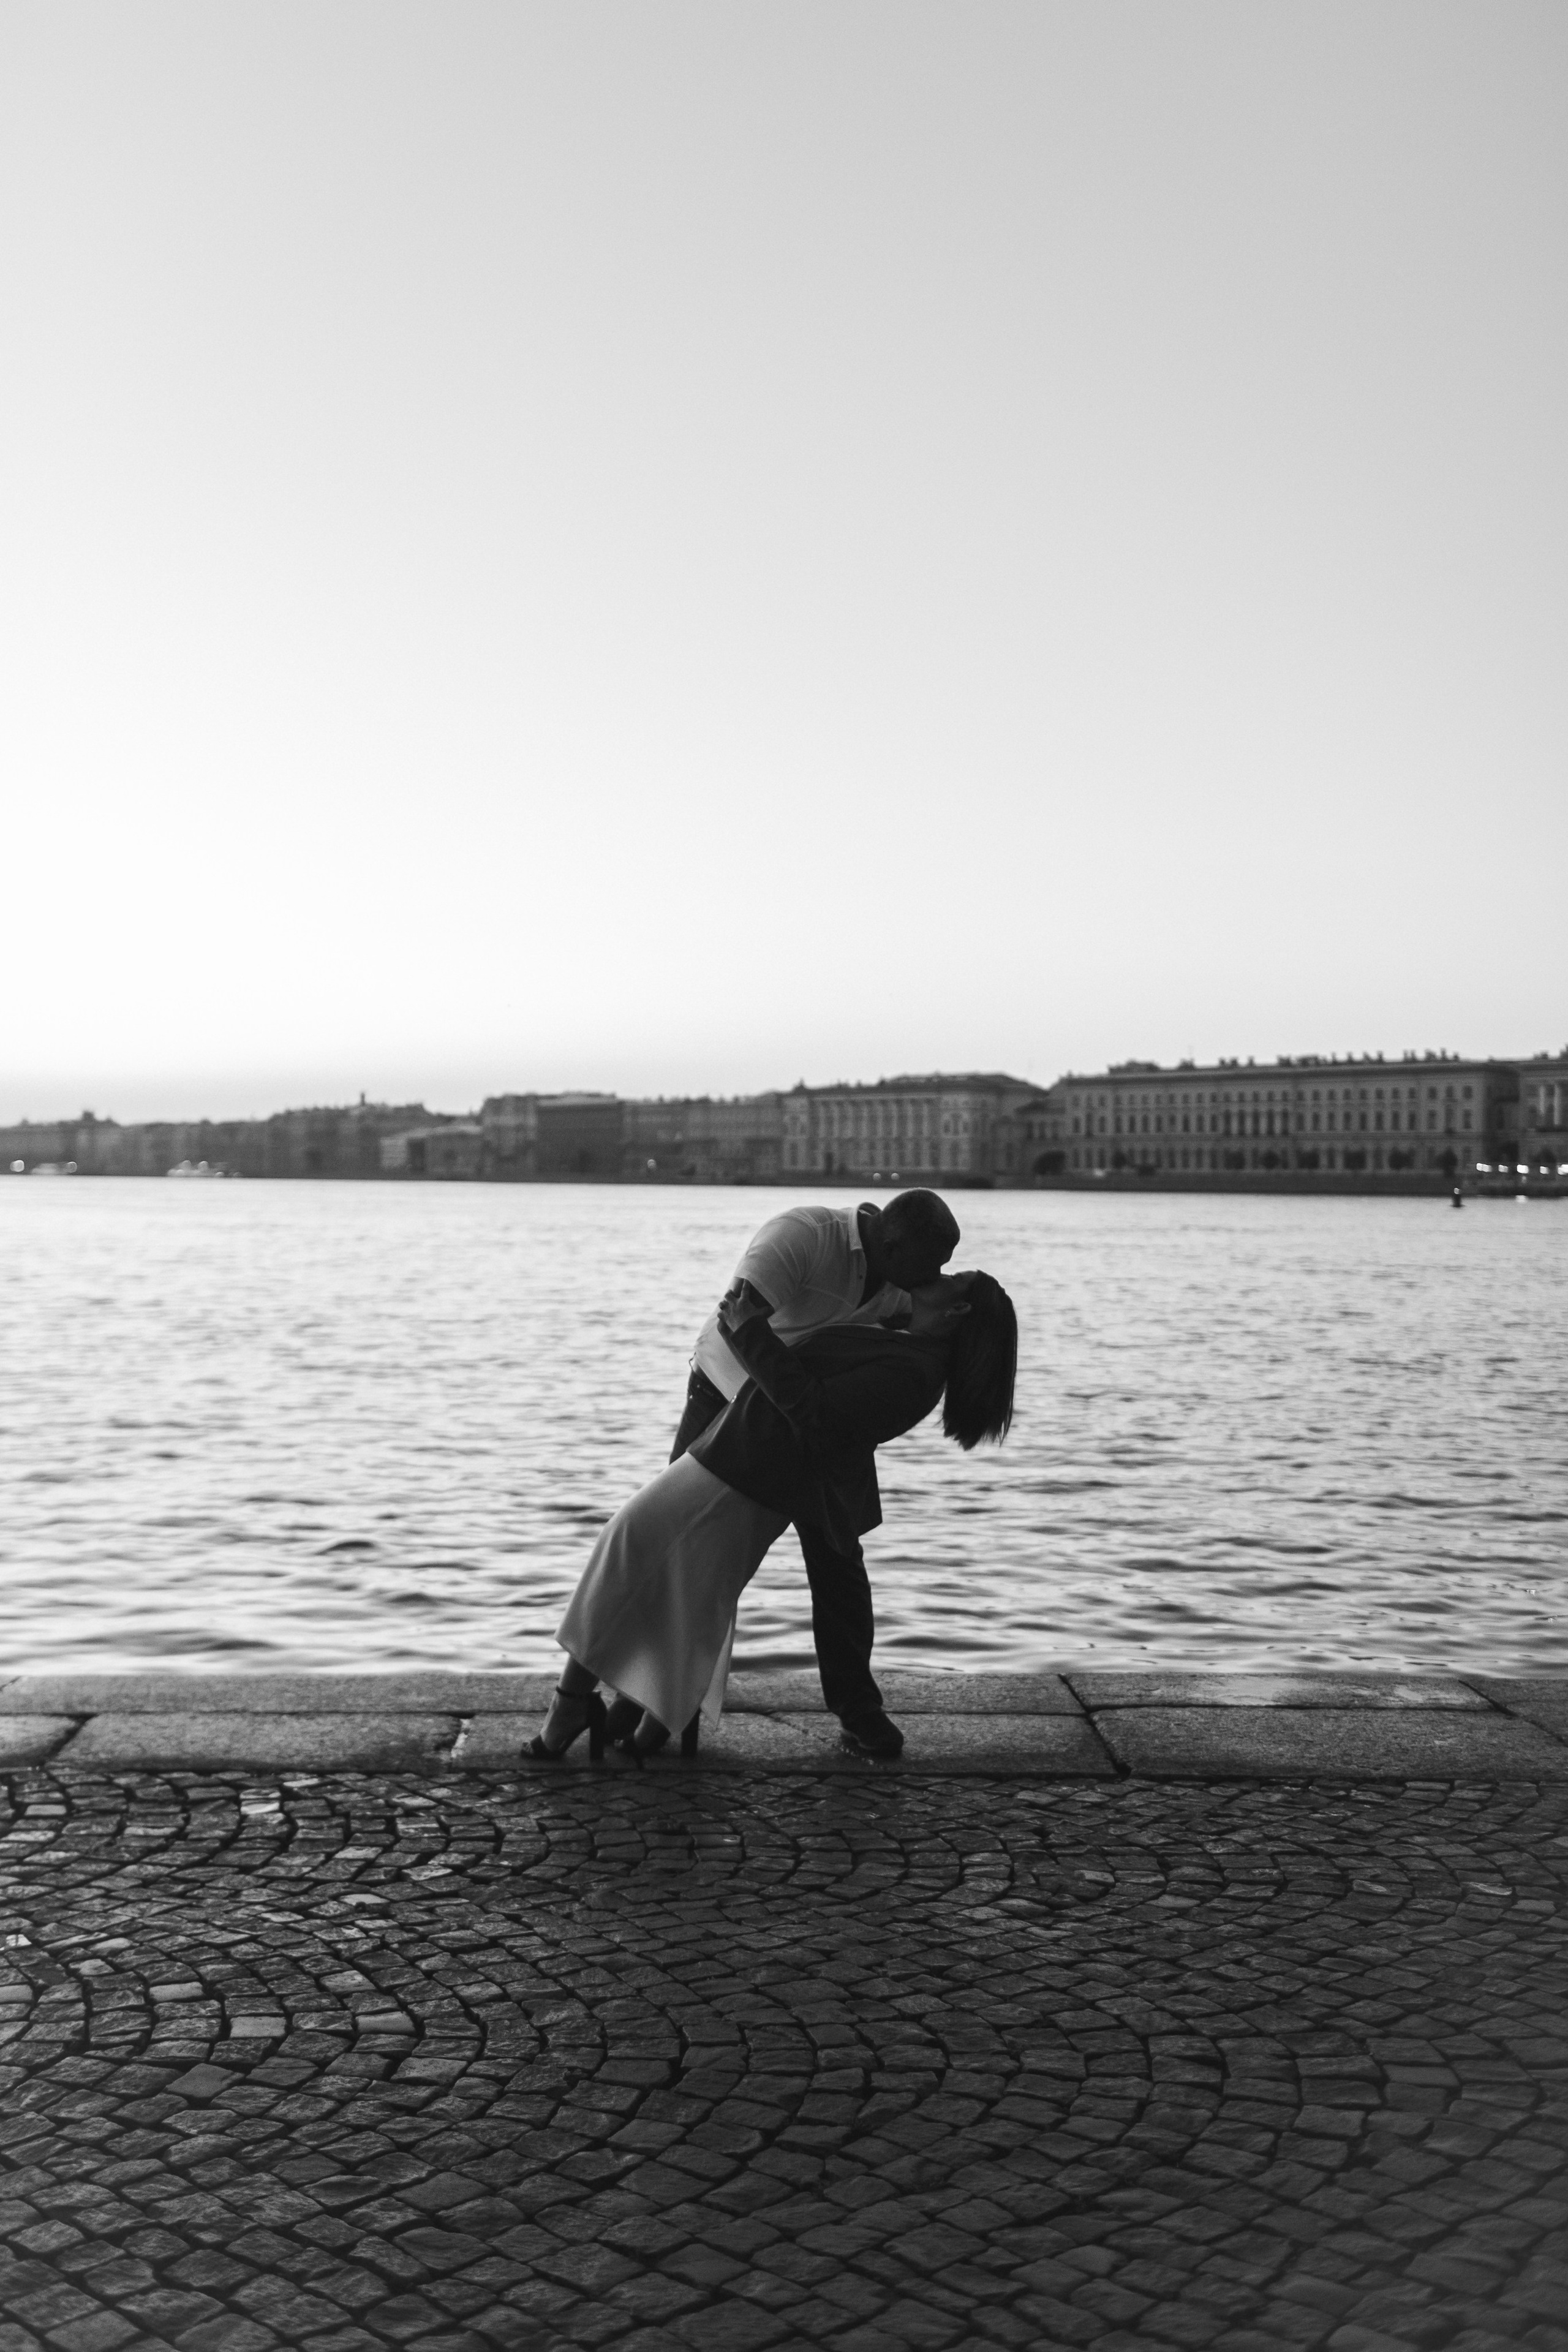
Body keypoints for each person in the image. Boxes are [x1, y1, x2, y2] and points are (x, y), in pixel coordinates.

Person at [528, 1267, 1017, 1764]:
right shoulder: (904, 1338)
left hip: (746, 1470)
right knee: (693, 1587)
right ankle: (660, 1713)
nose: (941, 1272)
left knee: (627, 1543)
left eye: (955, 1278)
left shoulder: (914, 1373)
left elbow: (815, 1412)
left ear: (957, 1310)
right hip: (741, 1457)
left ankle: (577, 1705)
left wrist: (749, 1331)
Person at [669, 1190, 961, 1756]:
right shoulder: (803, 1235)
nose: (938, 1274)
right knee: (683, 1546)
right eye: (935, 1261)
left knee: (837, 1555)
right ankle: (660, 1701)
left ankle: (858, 1711)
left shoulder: (901, 1278)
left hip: (807, 1414)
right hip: (726, 1396)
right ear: (894, 1244)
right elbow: (737, 1320)